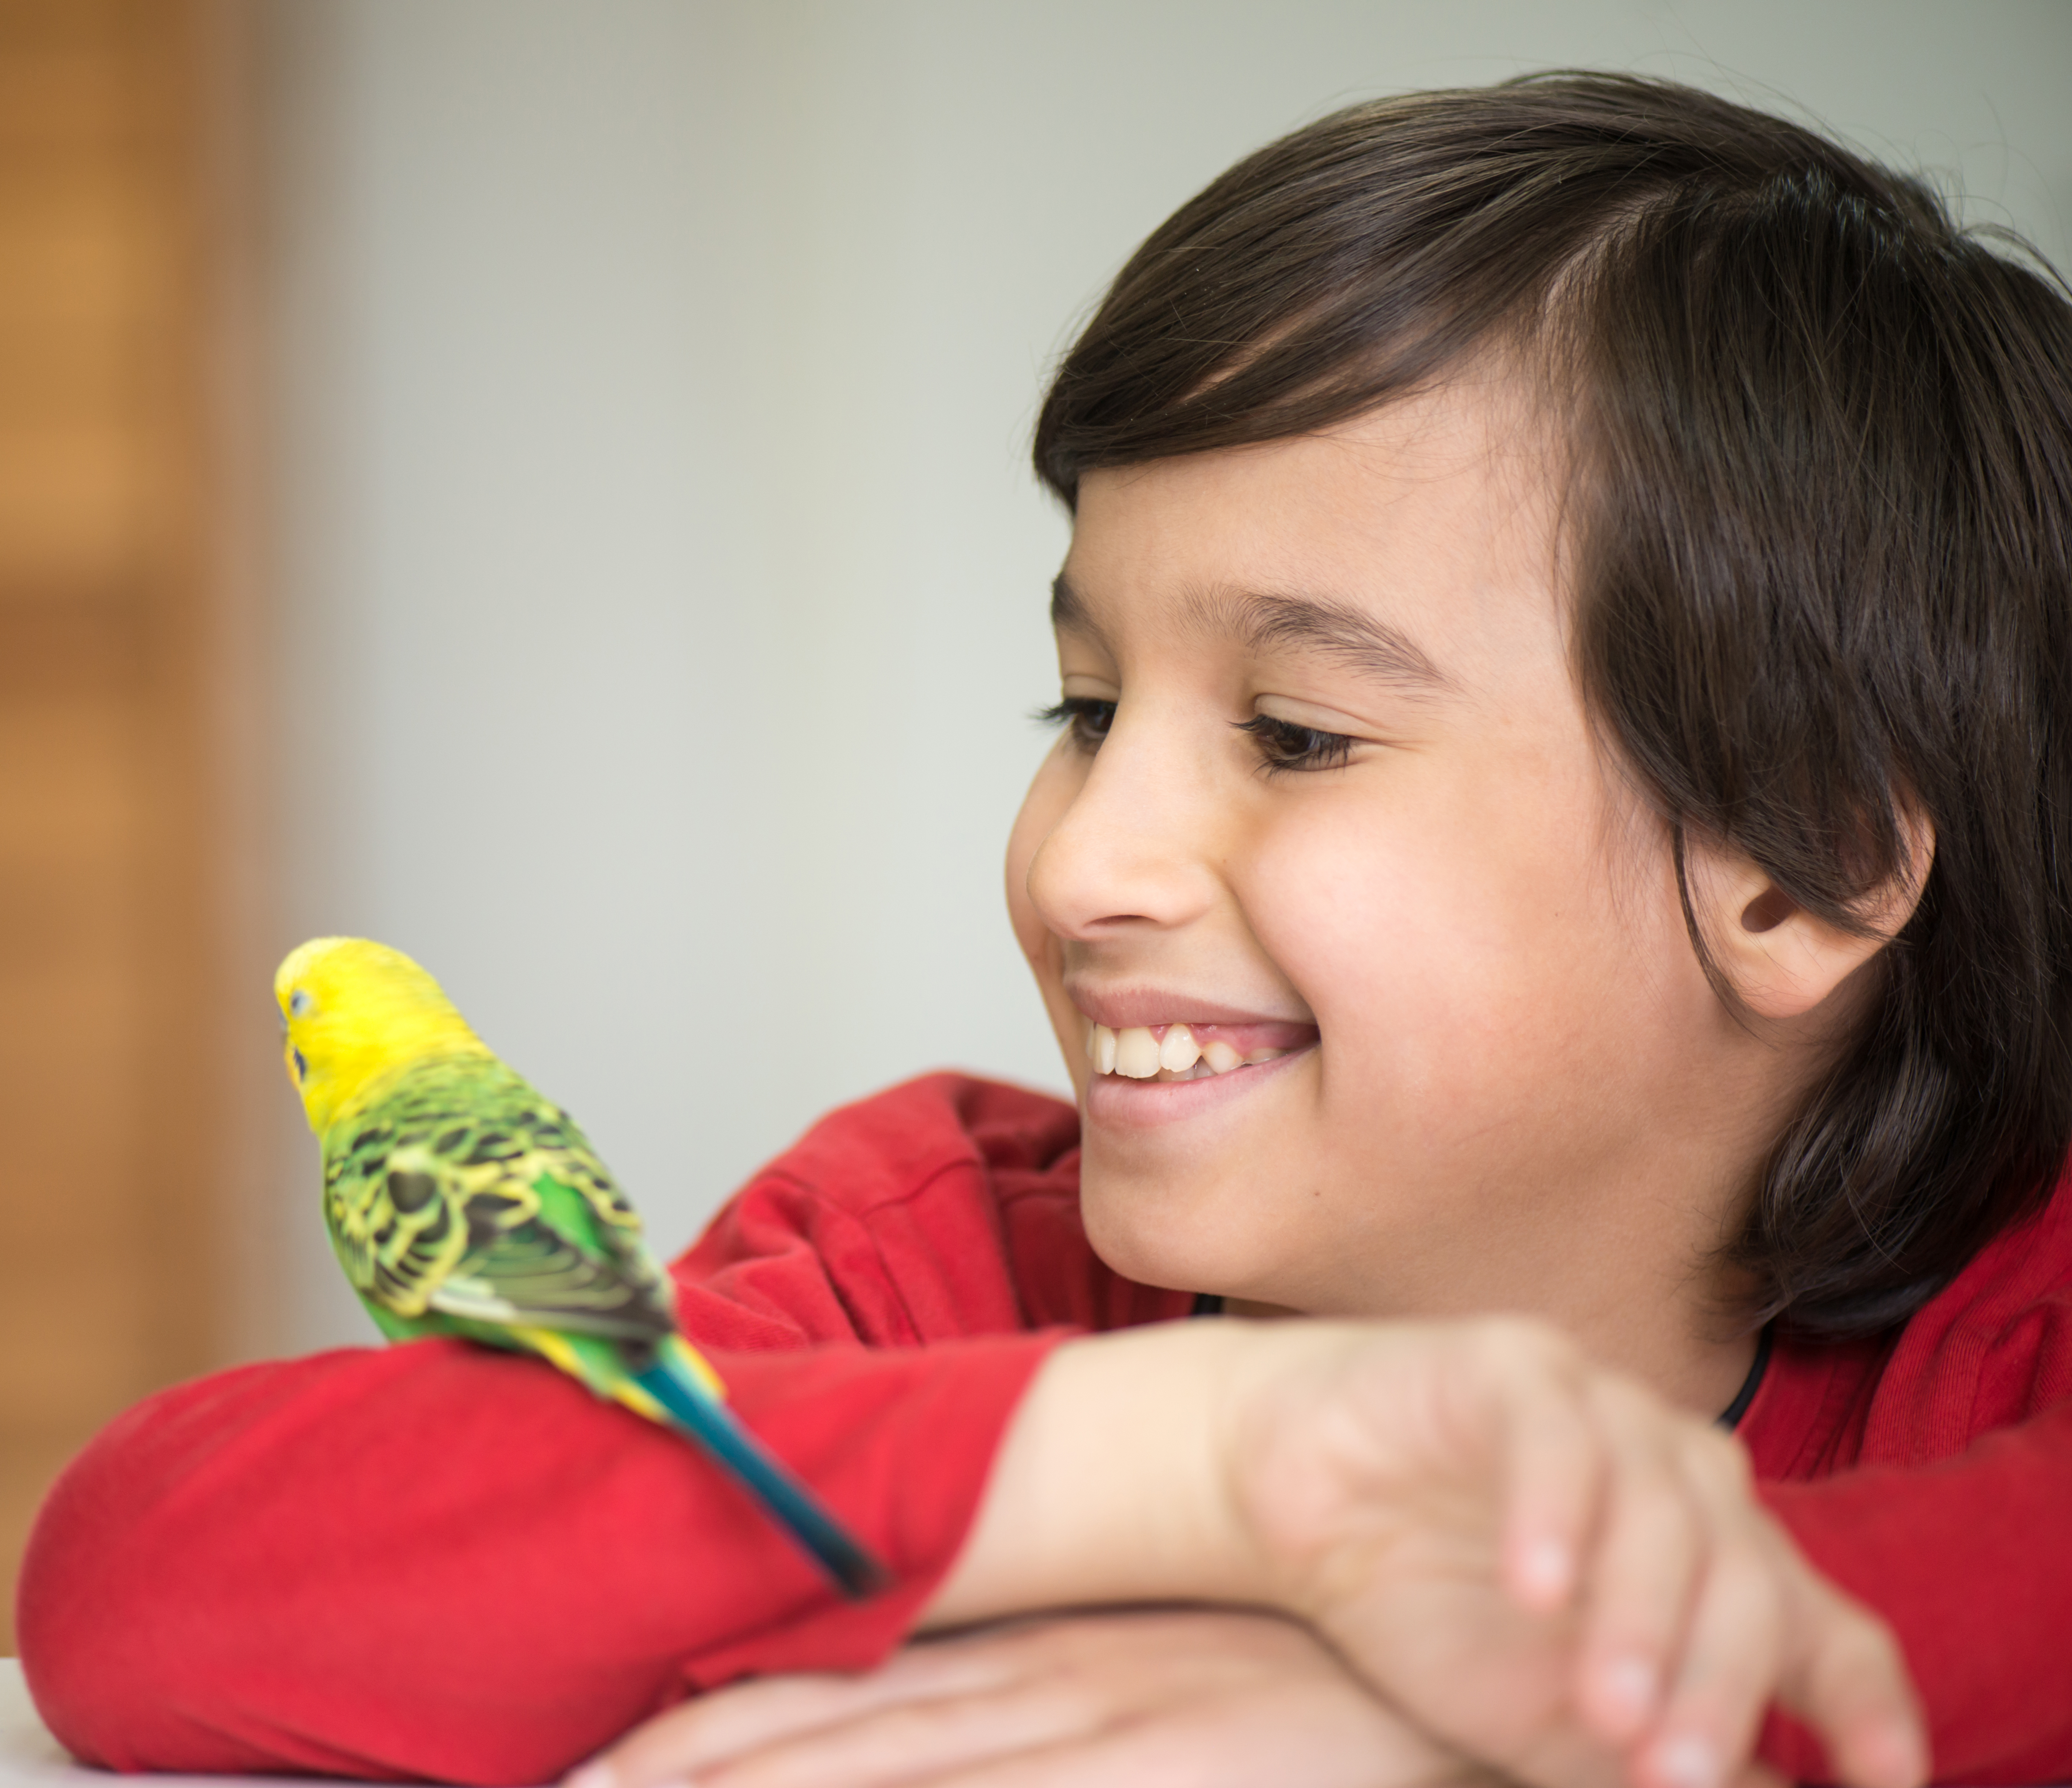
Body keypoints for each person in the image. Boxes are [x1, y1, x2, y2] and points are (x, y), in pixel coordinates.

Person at [20, 71, 2072, 1788]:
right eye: (1085, 711)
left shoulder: (2019, 1330)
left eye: (1297, 733)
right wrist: (1236, 1465)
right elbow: (141, 1593)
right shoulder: (936, 1267)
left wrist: (1466, 1713)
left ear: (1797, 868)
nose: (1087, 859)